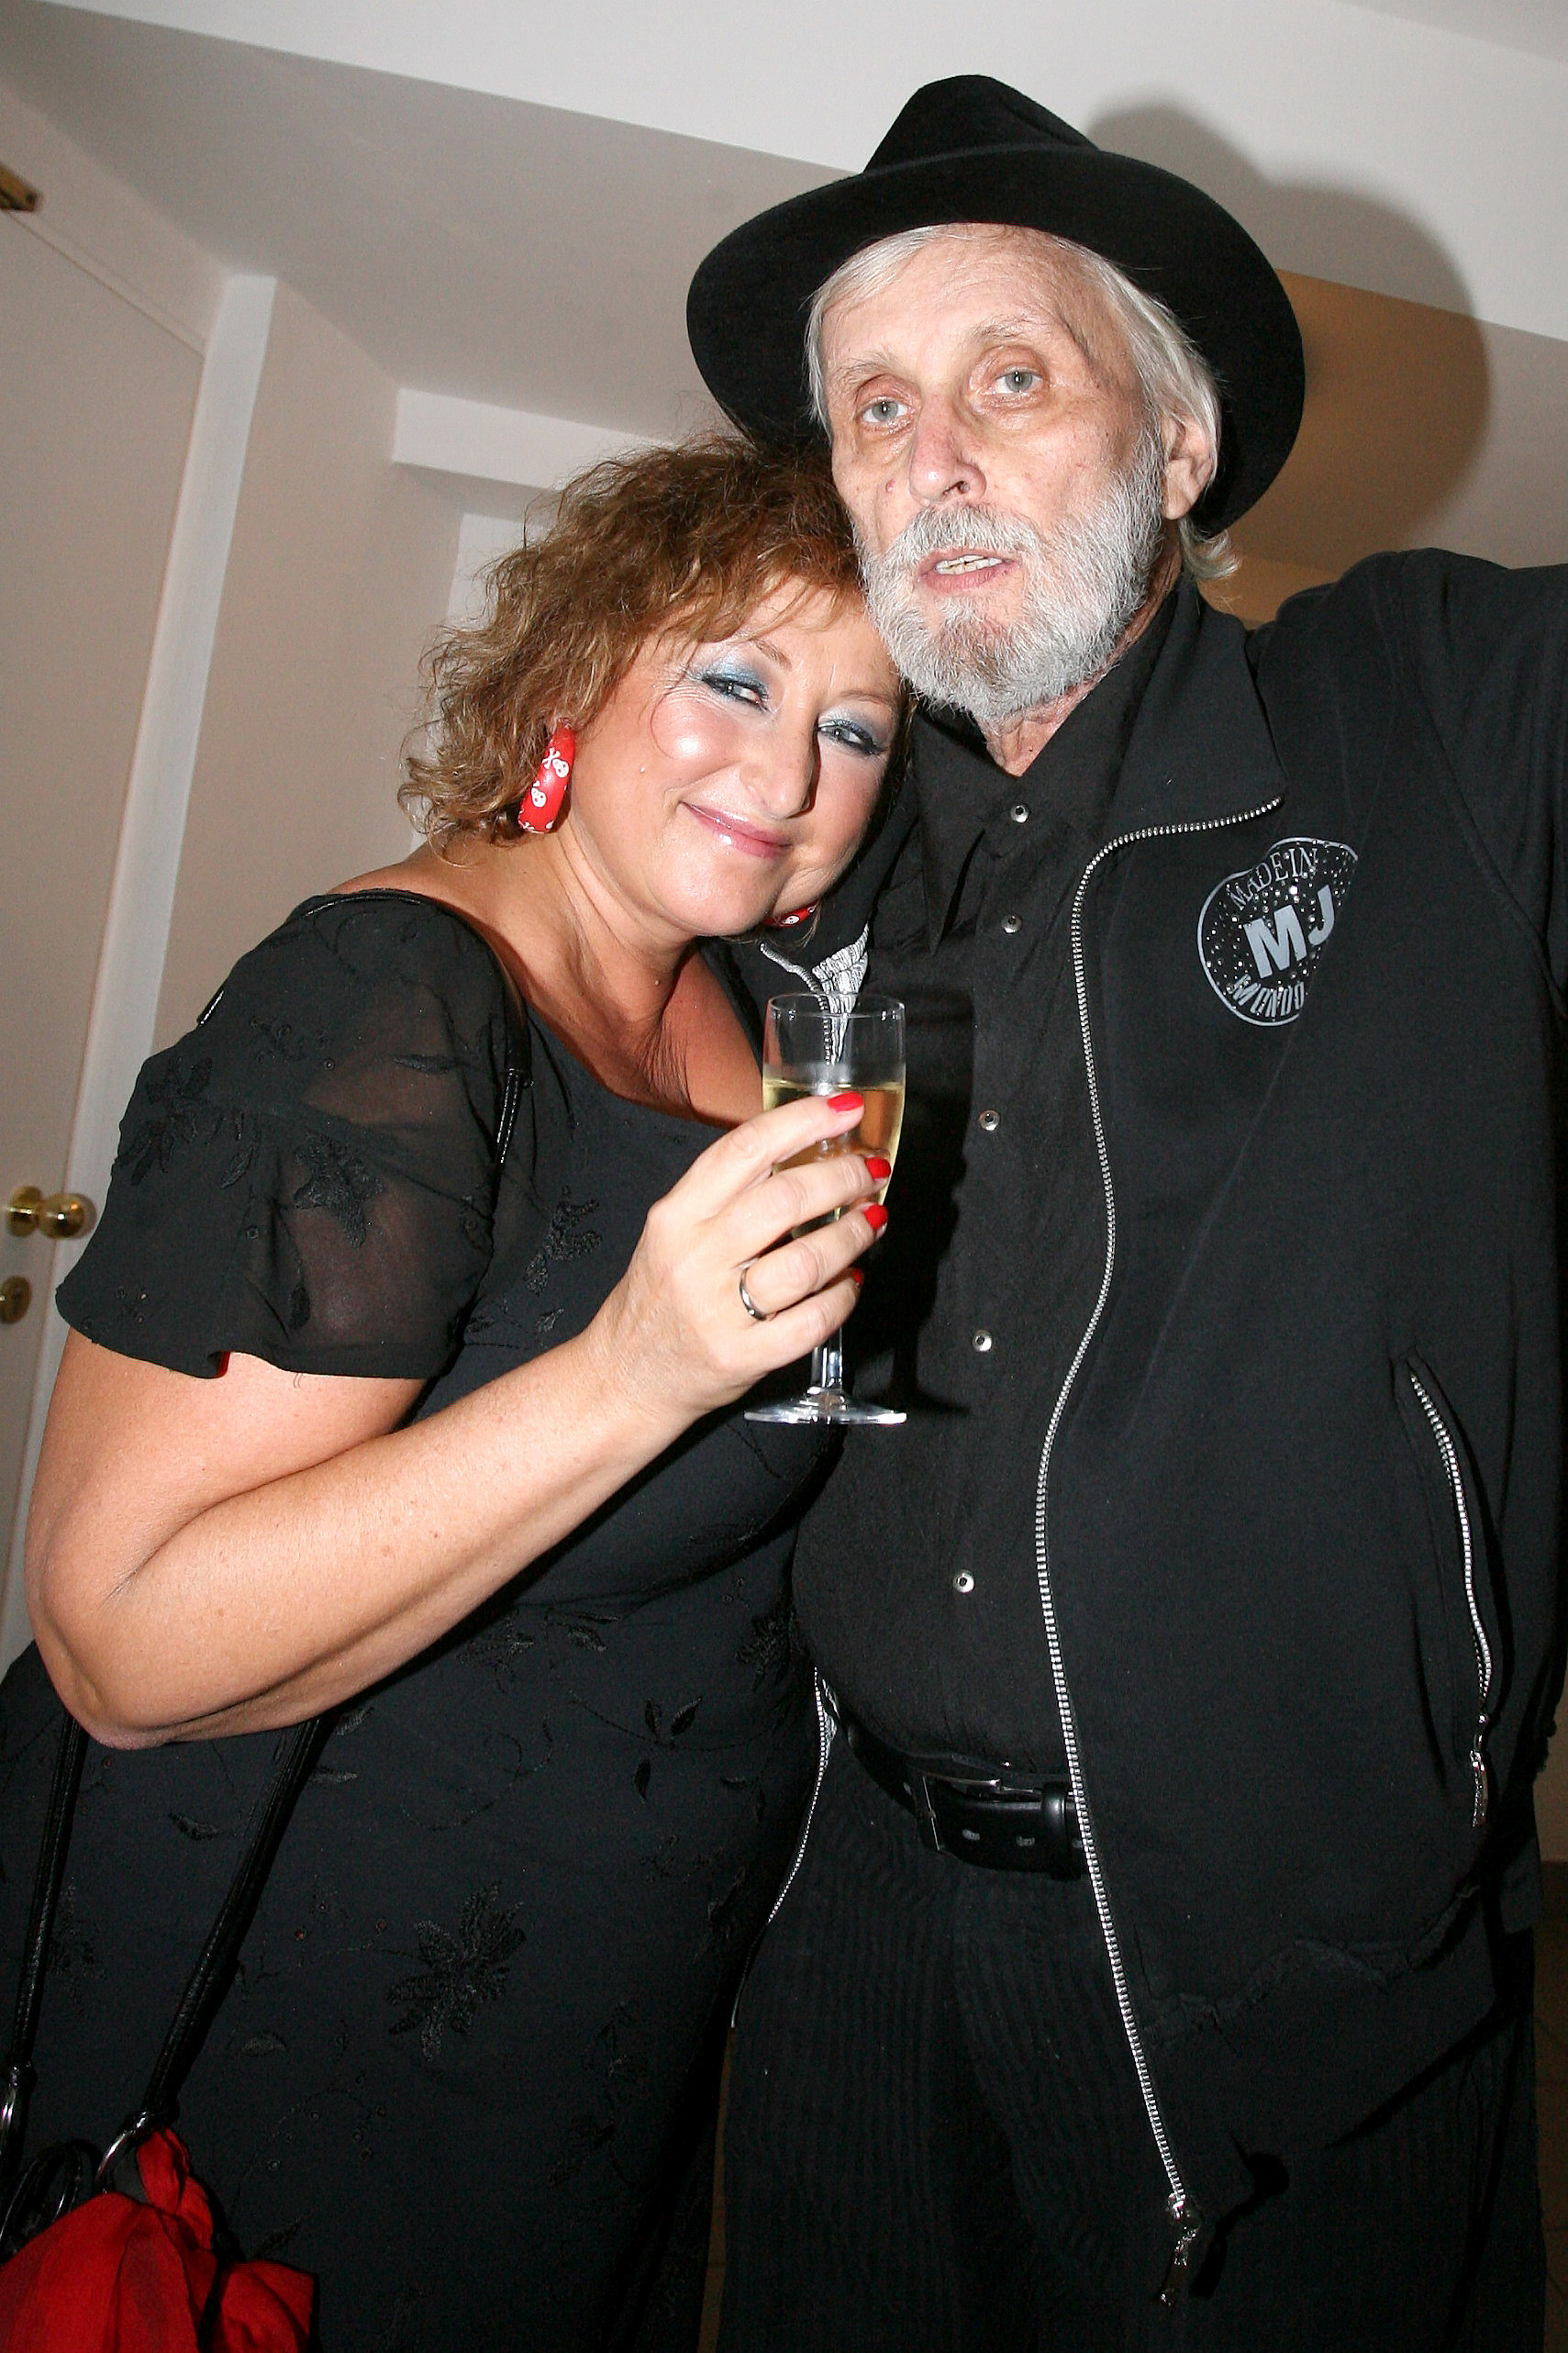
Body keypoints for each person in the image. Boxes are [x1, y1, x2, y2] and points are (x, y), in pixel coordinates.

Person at [686, 74, 1567, 2350]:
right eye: (879, 408)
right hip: (849, 1904)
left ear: (1175, 449)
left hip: (1283, 1975)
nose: (934, 458)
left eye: (1010, 379)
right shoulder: (820, 860)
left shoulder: (1426, 713)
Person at [0, 434, 903, 2351]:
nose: (788, 777)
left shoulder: (747, 1021)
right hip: (298, 2020)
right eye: (734, 678)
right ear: (572, 674)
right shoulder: (385, 996)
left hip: (586, 2044)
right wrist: (633, 1374)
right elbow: (121, 1640)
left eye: (855, 729)